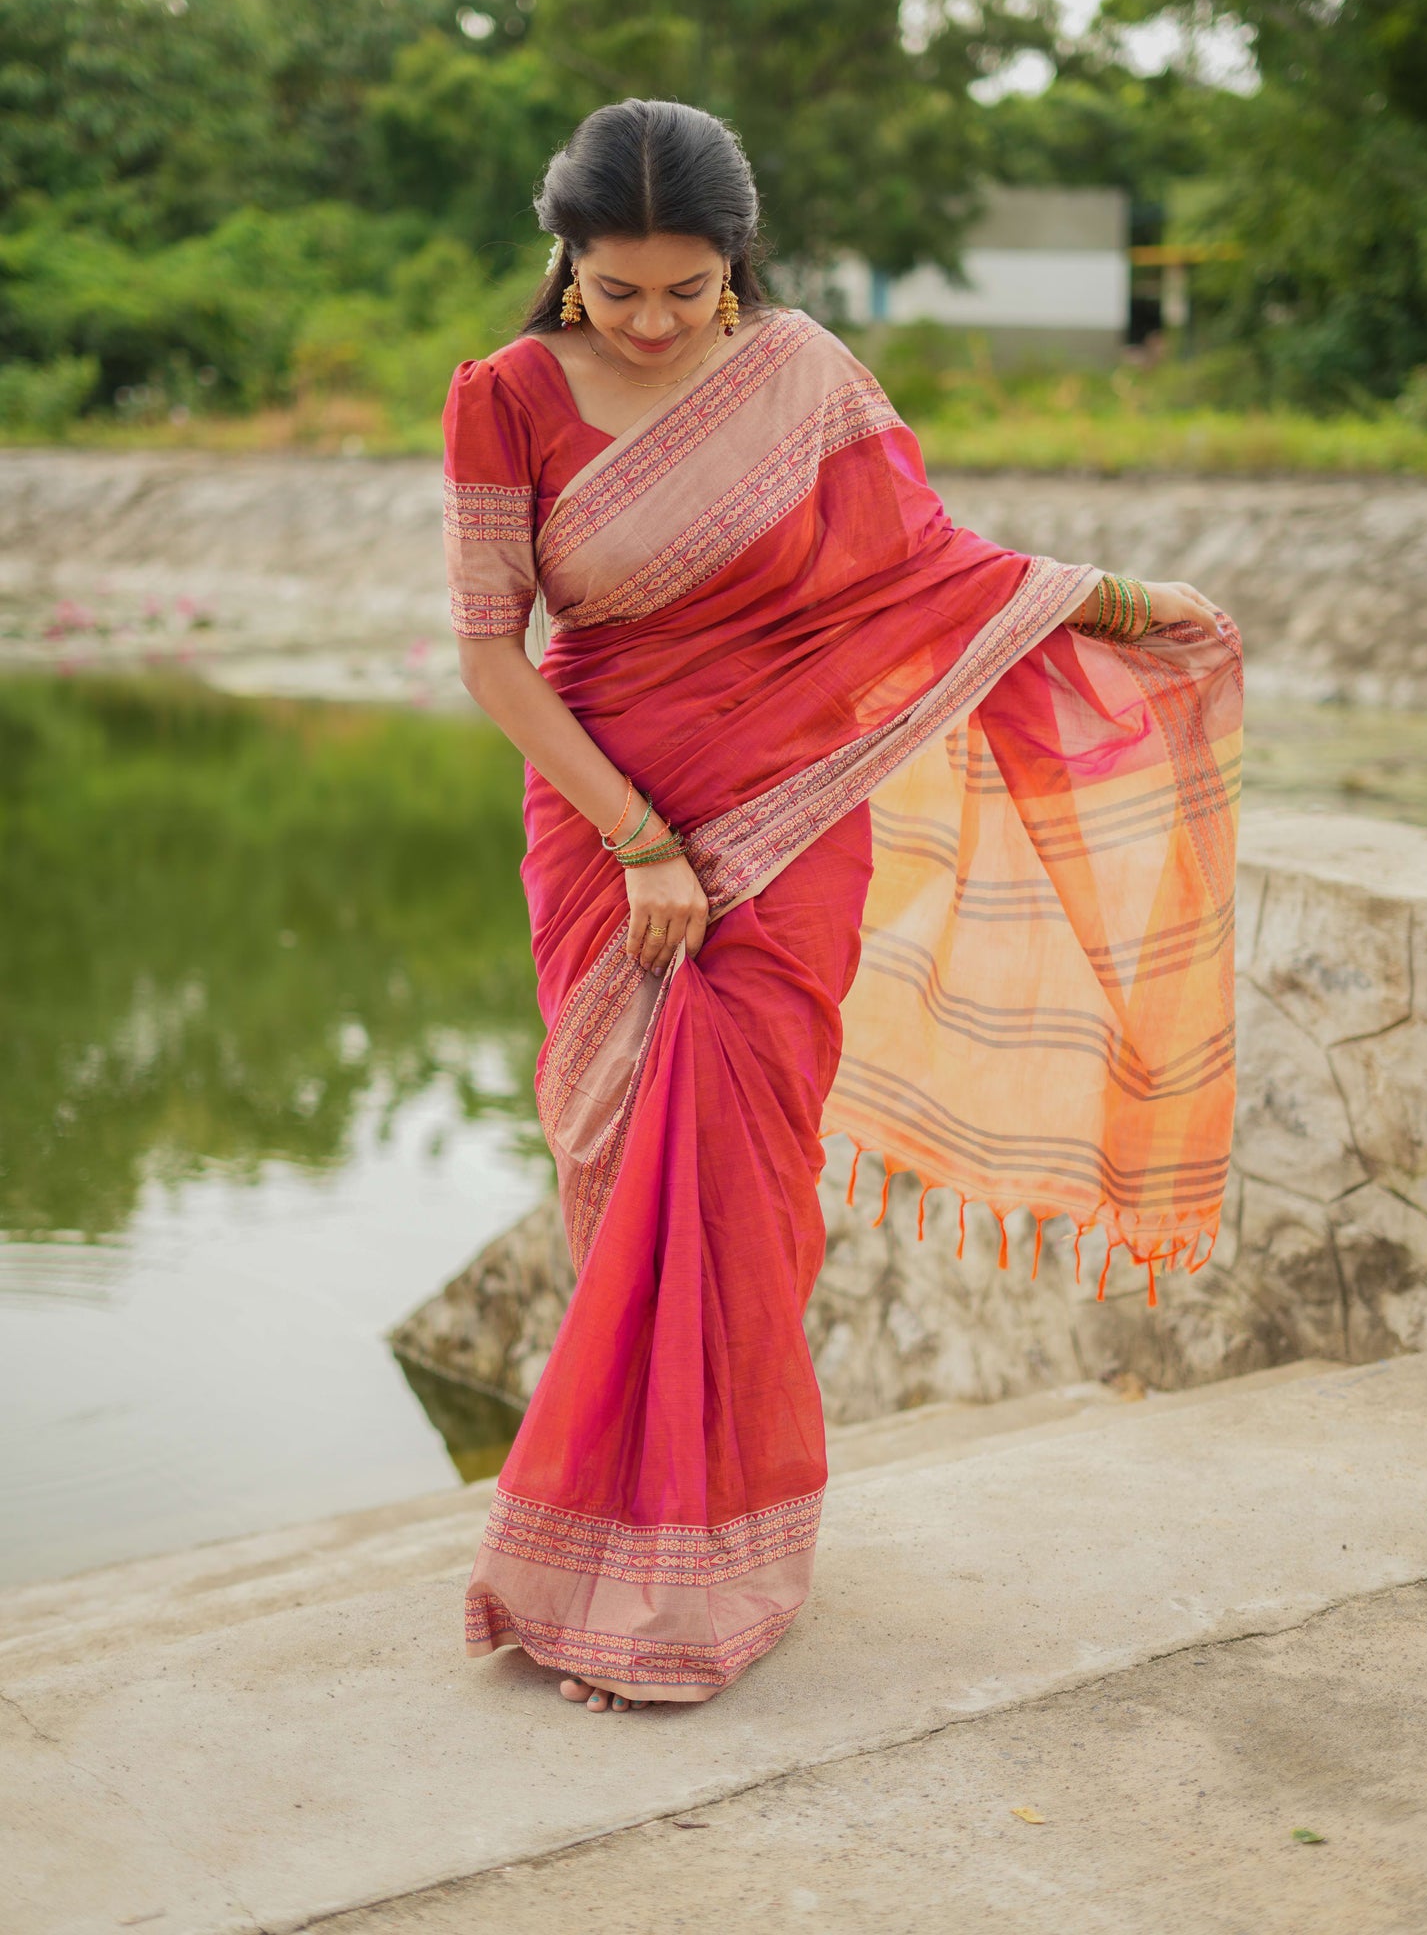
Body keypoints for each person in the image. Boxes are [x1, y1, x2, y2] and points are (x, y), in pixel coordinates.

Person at [446, 99, 1239, 1715]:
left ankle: (708, 1575)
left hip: (790, 820)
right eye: (618, 292)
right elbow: (487, 654)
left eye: (688, 289)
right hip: (606, 828)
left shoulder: (802, 377)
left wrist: (1109, 600)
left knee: (738, 1187)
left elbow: (917, 566)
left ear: (737, 266)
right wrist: (640, 839)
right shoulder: (506, 399)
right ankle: (594, 1549)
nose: (656, 323)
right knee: (618, 1177)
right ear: (564, 265)